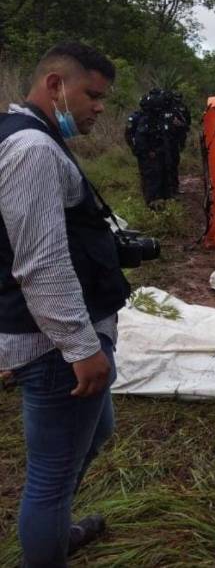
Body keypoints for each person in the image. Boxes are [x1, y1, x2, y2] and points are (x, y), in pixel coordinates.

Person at [0, 42, 131, 566]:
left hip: (46, 333)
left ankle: (54, 529)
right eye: (92, 95)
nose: (99, 108)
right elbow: (41, 262)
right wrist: (80, 347)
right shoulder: (32, 150)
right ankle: (47, 544)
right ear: (56, 85)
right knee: (50, 480)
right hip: (54, 345)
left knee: (98, 429)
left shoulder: (24, 138)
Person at [125, 88, 190, 208]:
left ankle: (166, 198)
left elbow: (181, 128)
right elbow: (136, 138)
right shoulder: (142, 119)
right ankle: (153, 203)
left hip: (163, 150)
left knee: (165, 172)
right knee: (151, 177)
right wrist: (142, 151)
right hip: (149, 154)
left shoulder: (162, 116)